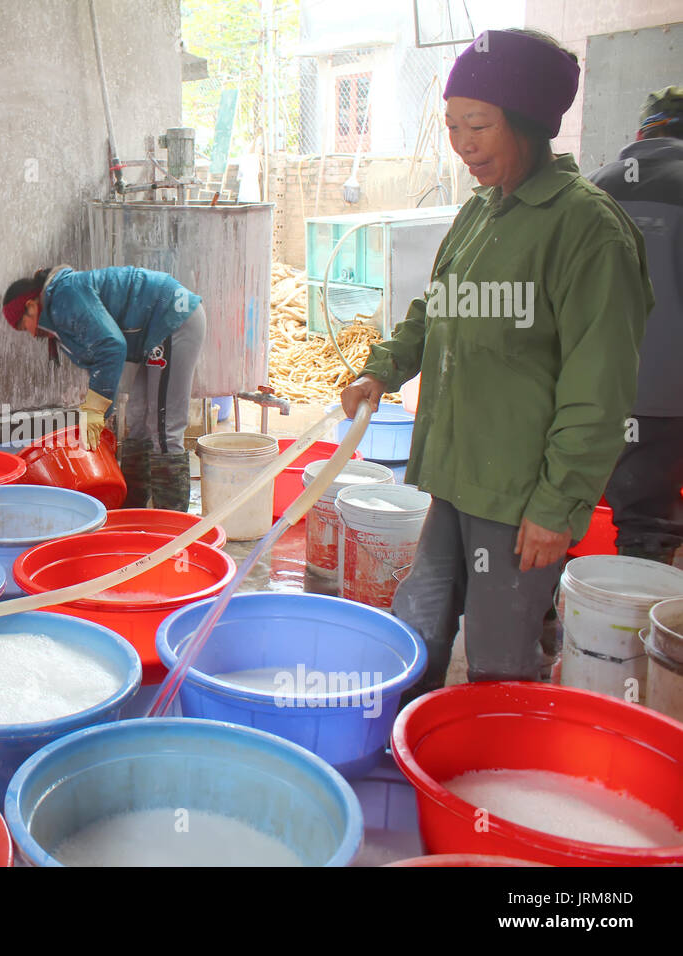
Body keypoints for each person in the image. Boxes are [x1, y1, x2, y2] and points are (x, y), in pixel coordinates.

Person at [340, 28, 653, 700]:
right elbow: (436, 309)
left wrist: (559, 502)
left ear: (531, 124)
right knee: (418, 621)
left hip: (520, 496)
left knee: (500, 652)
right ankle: (402, 747)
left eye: (477, 124)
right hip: (455, 473)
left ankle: (490, 777)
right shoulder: (481, 211)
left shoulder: (587, 228)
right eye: (451, 125)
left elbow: (597, 387)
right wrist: (383, 369)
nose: (461, 143)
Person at [2, 265, 207, 511]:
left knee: (164, 427)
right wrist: (101, 412)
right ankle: (133, 511)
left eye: (24, 327)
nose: (30, 333)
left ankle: (172, 525)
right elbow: (98, 358)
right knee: (138, 418)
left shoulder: (65, 296)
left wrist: (96, 408)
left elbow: (111, 345)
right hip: (154, 331)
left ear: (31, 306)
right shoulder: (59, 312)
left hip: (173, 316)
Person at [589, 87, 683, 565]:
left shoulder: (591, 186)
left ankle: (532, 622)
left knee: (556, 505)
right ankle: (631, 629)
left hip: (581, 387)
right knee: (647, 520)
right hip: (662, 397)